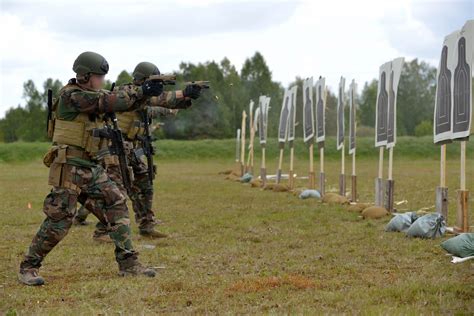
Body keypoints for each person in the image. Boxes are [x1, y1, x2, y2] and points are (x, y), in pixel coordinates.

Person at [18, 52, 164, 286]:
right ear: (85, 76)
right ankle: (29, 266)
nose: (102, 81)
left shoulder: (93, 94)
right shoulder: (72, 95)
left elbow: (118, 100)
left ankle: (128, 263)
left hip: (90, 167)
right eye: (99, 77)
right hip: (70, 167)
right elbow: (109, 102)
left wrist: (145, 95)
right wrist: (142, 90)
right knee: (60, 220)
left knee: (116, 202)